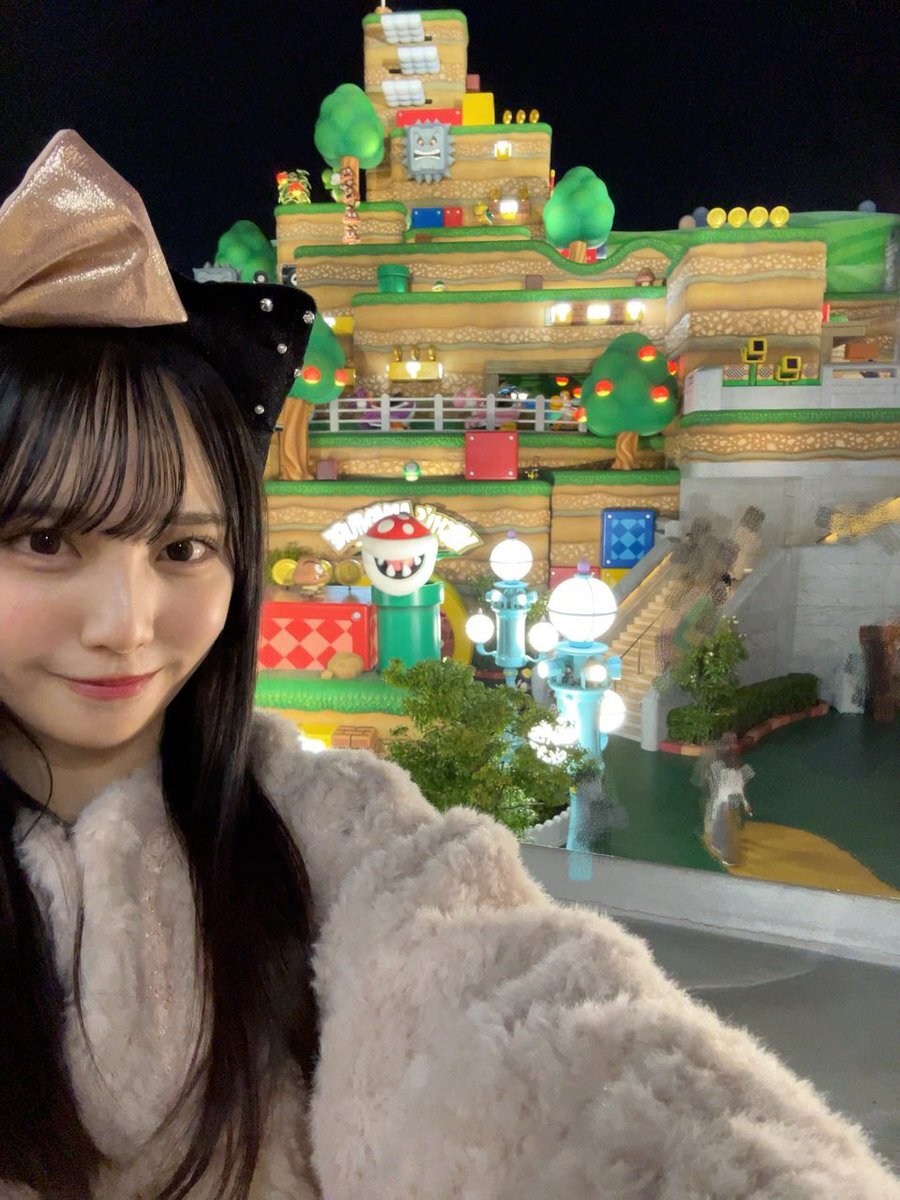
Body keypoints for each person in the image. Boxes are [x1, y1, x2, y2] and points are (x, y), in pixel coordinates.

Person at [0, 134, 897, 1200]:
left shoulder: (332, 829)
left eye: (183, 549)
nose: (128, 624)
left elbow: (534, 1023)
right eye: (46, 540)